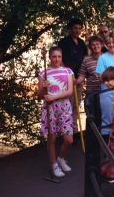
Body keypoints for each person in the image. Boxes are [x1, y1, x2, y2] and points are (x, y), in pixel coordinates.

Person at [37, 46, 74, 178]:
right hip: (50, 108)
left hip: (64, 107)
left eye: (59, 56)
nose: (57, 59)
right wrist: (44, 87)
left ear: (61, 57)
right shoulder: (43, 73)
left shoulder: (67, 71)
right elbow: (39, 96)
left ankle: (61, 158)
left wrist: (53, 96)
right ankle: (54, 165)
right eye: (54, 56)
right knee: (52, 138)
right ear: (50, 57)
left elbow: (69, 92)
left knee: (69, 139)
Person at [58, 19, 88, 136]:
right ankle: (67, 130)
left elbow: (86, 59)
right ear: (70, 28)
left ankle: (75, 130)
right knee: (68, 104)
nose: (78, 31)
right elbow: (60, 60)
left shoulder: (81, 43)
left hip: (79, 78)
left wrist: (81, 77)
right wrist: (67, 74)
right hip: (68, 78)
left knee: (76, 104)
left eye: (80, 28)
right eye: (75, 28)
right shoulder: (64, 42)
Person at [74, 35, 103, 108]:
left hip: (104, 90)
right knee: (92, 115)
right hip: (91, 91)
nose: (95, 46)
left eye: (97, 44)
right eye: (93, 45)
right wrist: (77, 81)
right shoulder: (86, 59)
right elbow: (82, 74)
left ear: (101, 45)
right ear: (90, 47)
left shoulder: (106, 57)